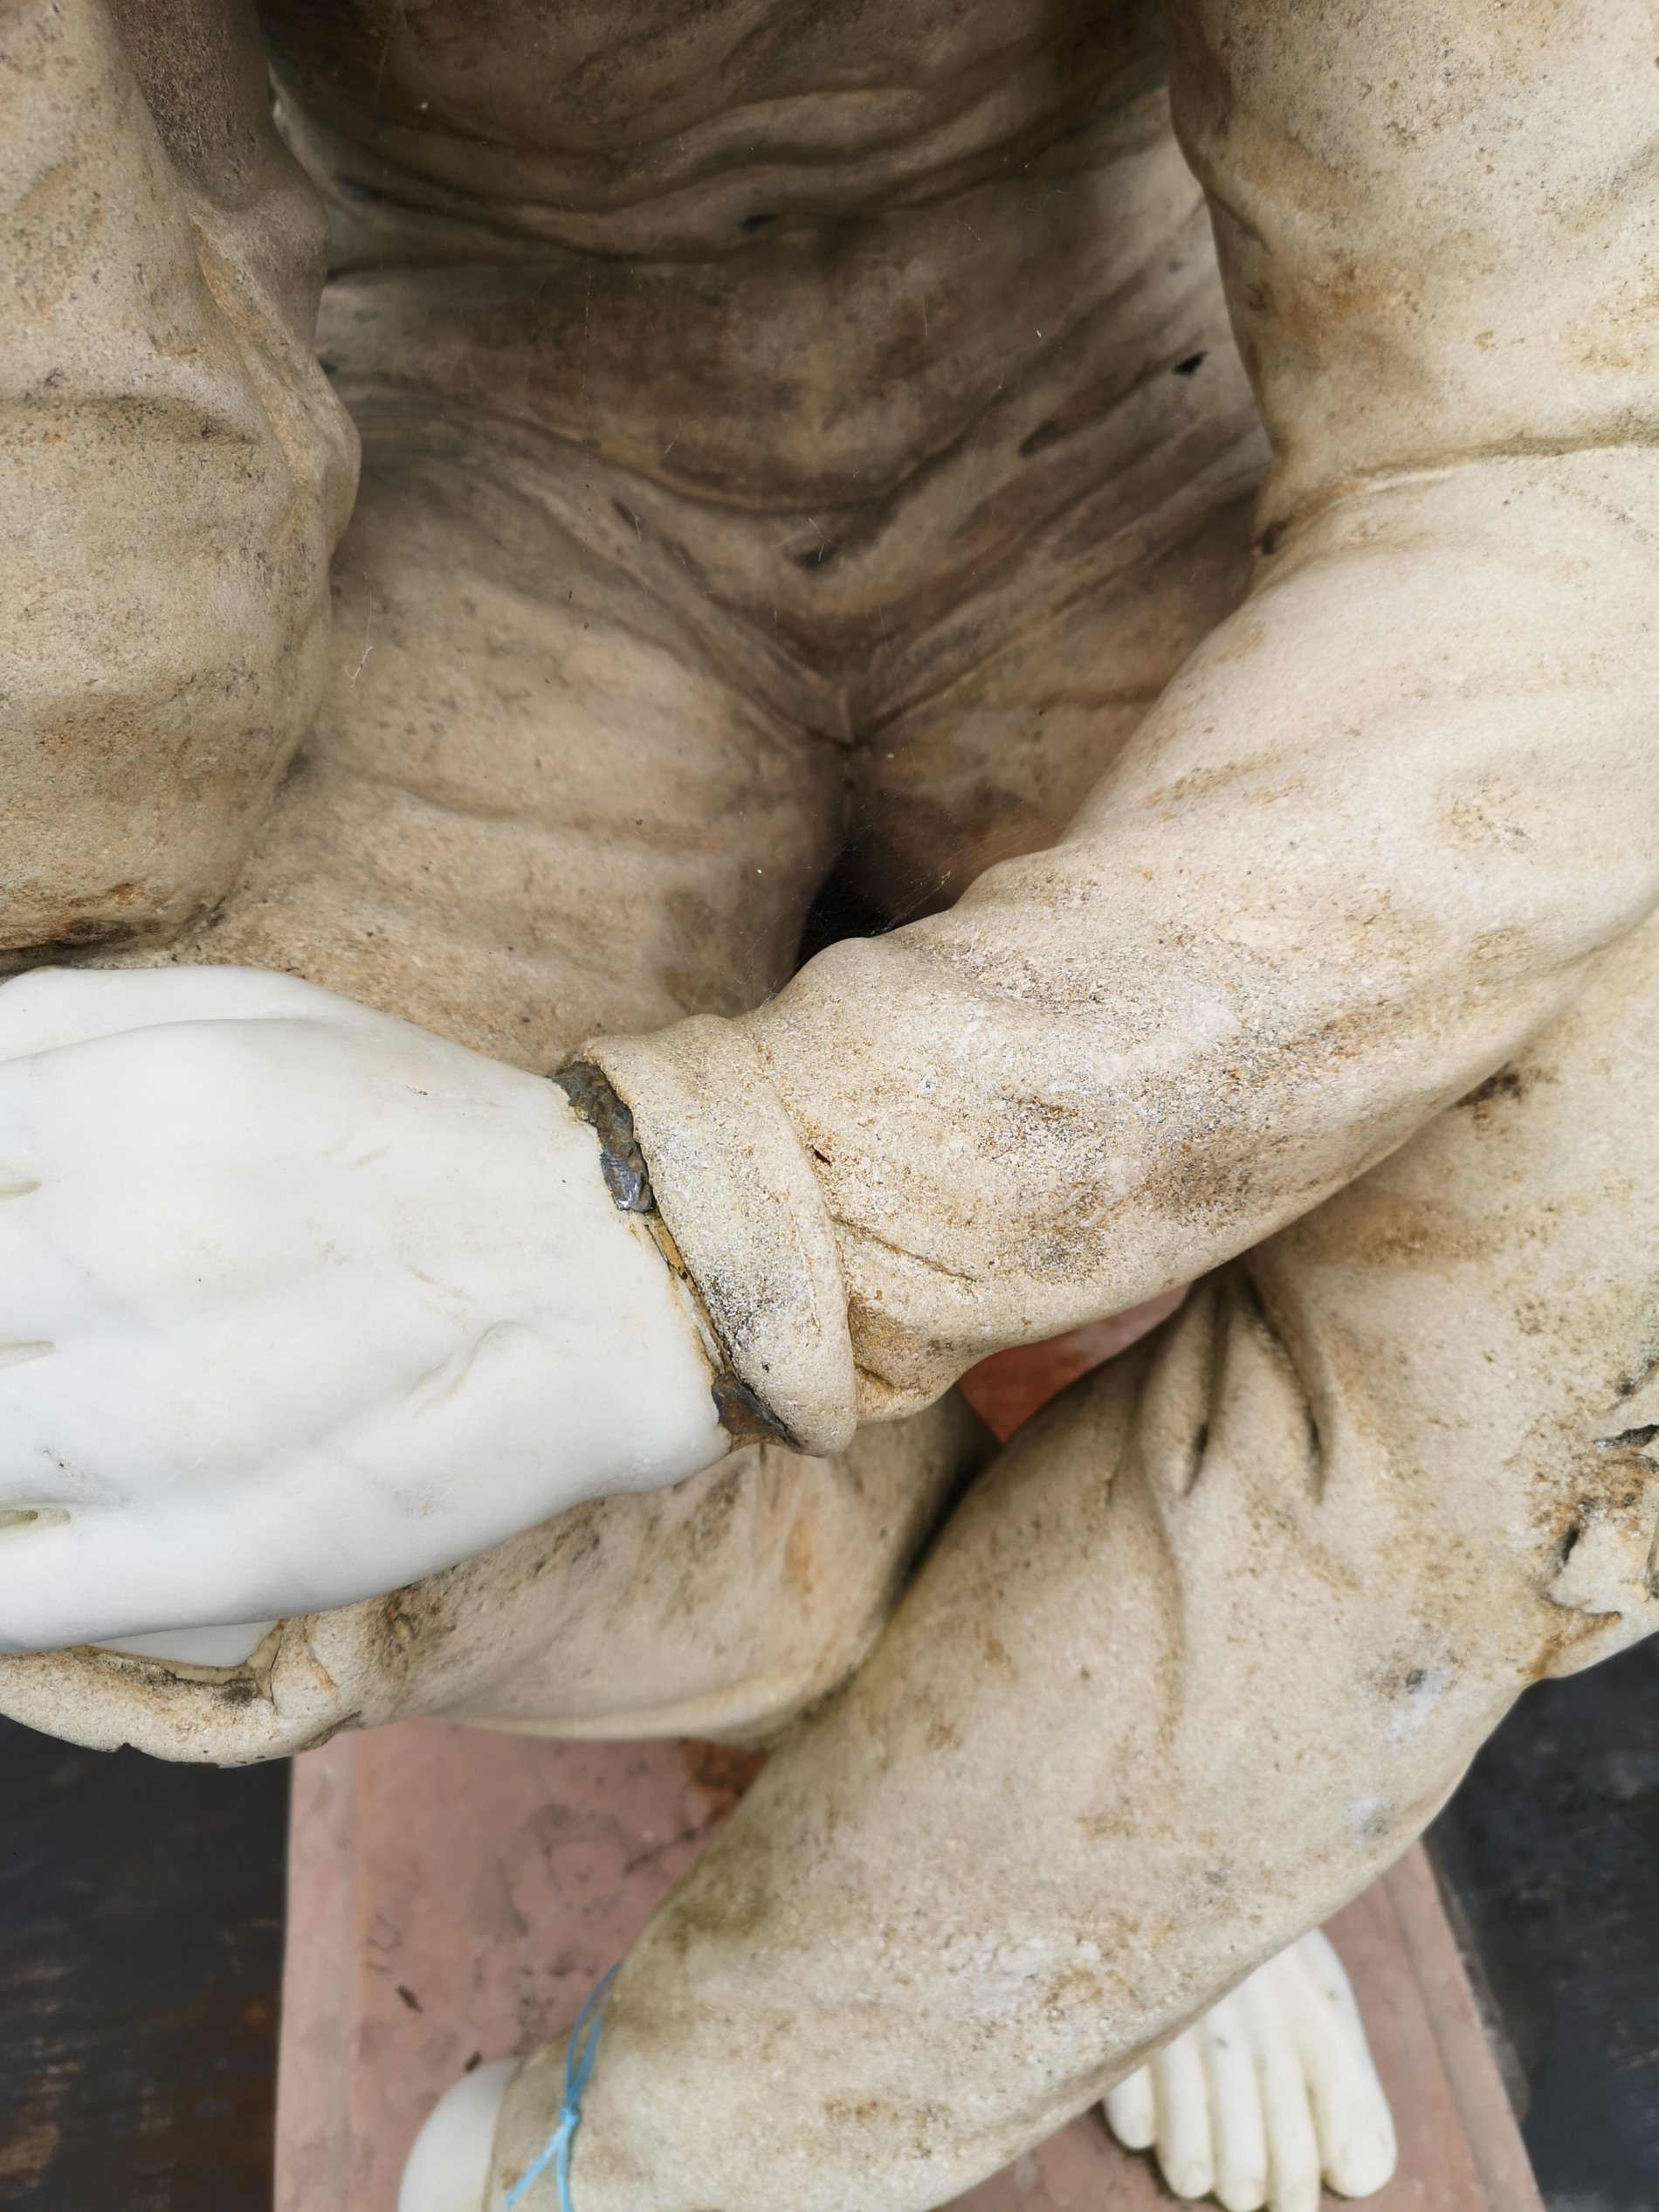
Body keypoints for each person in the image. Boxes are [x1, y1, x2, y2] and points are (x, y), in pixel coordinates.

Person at [2, 3, 1656, 2208]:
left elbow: (1560, 458)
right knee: (98, 1455)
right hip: (490, 453)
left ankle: (719, 2114)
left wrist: (716, 1227)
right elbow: (87, 540)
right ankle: (1078, 1778)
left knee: (1597, 1280)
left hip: (1119, 391)